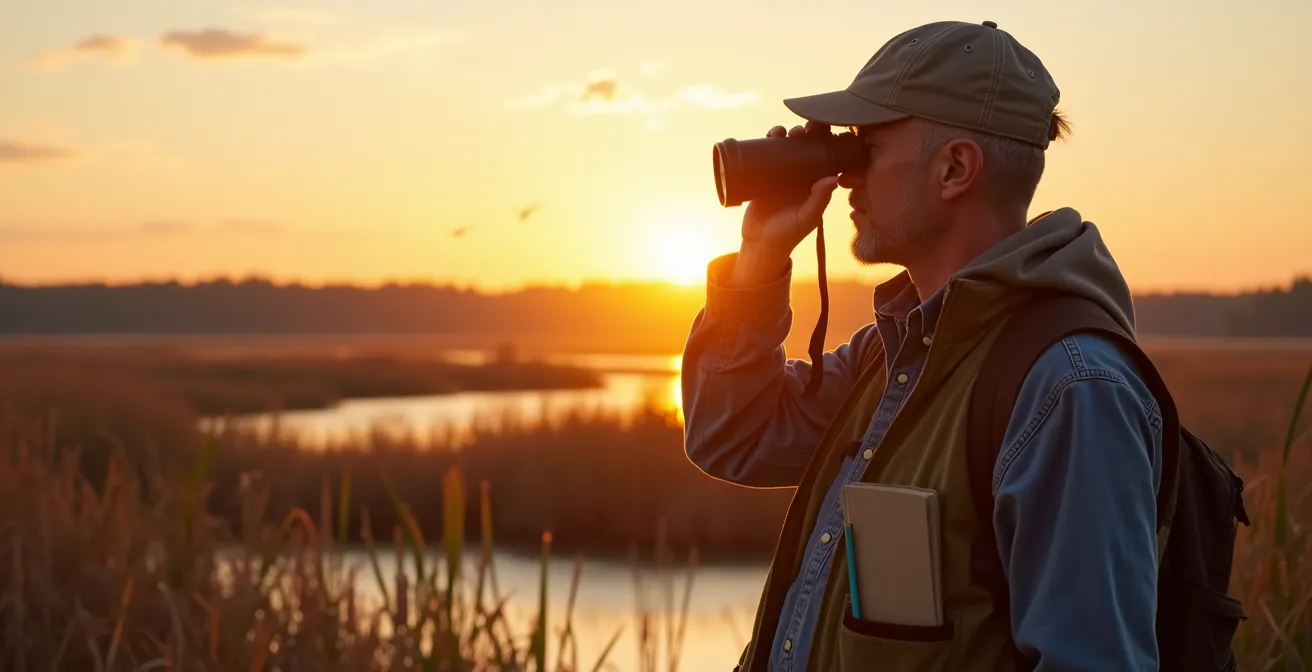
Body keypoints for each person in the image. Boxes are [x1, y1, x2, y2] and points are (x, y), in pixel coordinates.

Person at [681, 19, 1164, 672]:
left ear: (955, 168)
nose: (845, 177)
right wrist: (760, 256)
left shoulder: (1068, 389)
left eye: (867, 147)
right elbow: (731, 432)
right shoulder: (898, 356)